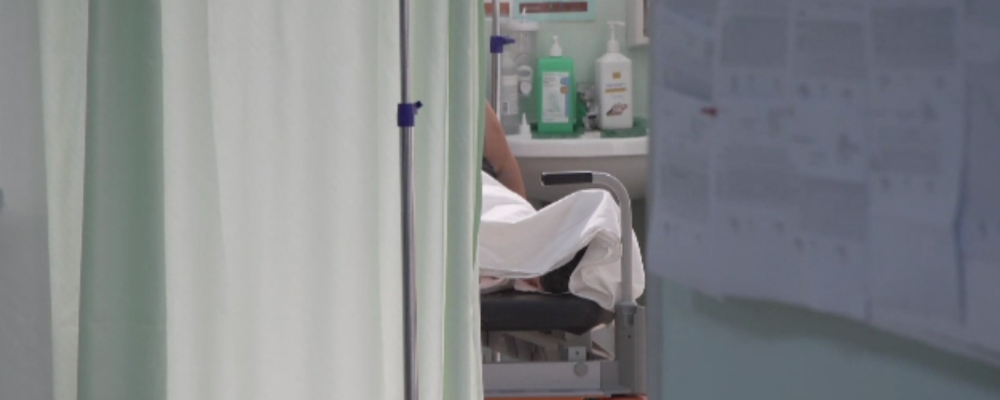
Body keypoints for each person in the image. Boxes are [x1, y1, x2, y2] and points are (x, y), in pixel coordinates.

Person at [480, 102, 584, 294]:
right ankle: (531, 260)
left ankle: (534, 258)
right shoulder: (420, 103)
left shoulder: (467, 99)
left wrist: (527, 228)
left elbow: (505, 169)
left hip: (496, 203)